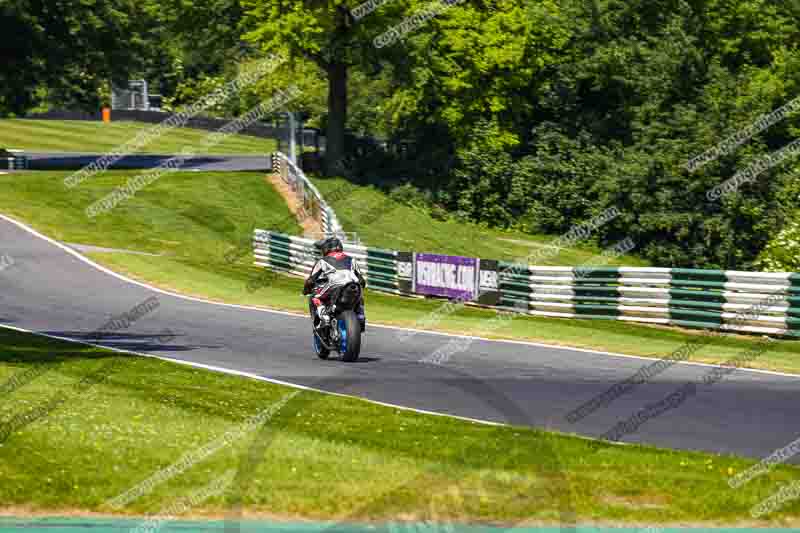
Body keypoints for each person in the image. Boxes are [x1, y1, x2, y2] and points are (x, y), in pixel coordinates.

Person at [303, 236, 366, 331]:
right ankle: (360, 315)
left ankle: (324, 316)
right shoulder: (351, 259)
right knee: (359, 294)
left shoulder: (322, 261)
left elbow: (311, 281)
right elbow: (362, 280)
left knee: (315, 297)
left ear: (326, 248)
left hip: (334, 285)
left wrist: (305, 290)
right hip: (352, 285)